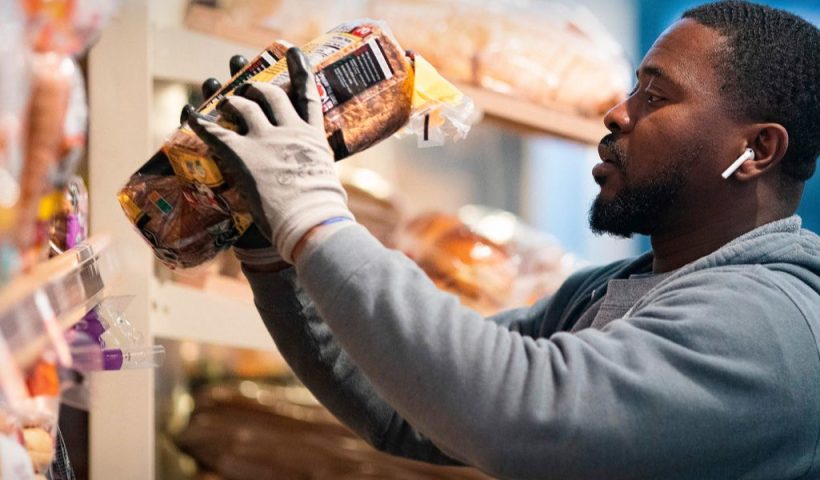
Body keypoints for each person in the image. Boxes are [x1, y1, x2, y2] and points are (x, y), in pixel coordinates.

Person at [183, 1, 820, 478]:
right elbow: (404, 404)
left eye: (657, 96)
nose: (619, 113)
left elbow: (519, 411)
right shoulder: (607, 292)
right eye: (631, 88)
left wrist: (311, 208)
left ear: (757, 149)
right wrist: (271, 245)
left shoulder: (771, 324)